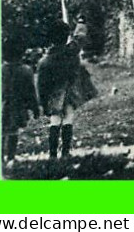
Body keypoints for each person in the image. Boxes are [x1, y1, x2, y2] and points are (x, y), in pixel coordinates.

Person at [37, 19, 97, 160]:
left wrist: (42, 101)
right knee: (68, 118)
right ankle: (65, 152)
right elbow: (80, 37)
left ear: (50, 39)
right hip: (70, 91)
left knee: (55, 120)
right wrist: (81, 23)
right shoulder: (72, 50)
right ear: (66, 36)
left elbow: (41, 84)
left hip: (55, 95)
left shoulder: (46, 61)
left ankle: (52, 154)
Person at [1, 36, 39, 165]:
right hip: (18, 106)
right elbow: (31, 92)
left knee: (2, 131)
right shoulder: (26, 71)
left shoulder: (1, 70)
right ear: (22, 54)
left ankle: (0, 158)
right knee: (13, 131)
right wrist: (35, 108)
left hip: (3, 105)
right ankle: (11, 157)